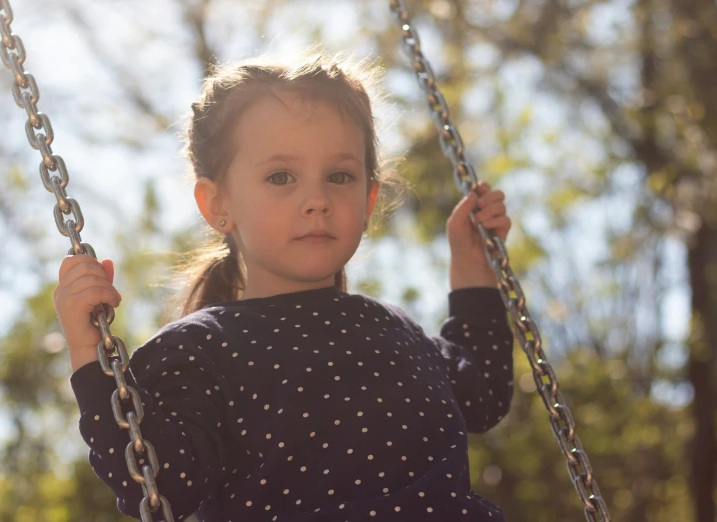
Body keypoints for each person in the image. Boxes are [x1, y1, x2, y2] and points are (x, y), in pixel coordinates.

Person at [55, 45, 514, 522]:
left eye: (339, 175)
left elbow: (481, 394)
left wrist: (472, 266)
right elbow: (159, 483)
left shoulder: (394, 329)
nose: (316, 199)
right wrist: (90, 357)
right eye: (281, 177)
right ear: (218, 205)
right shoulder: (202, 350)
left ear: (369, 198)